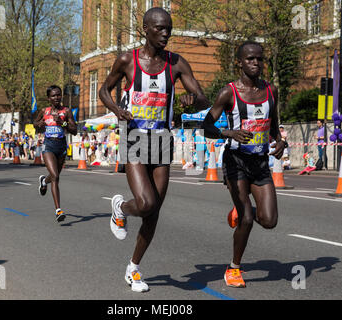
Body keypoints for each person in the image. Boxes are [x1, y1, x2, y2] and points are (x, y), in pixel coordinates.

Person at [99, 7, 210, 293]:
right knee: (146, 203)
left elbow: (197, 94)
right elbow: (104, 90)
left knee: (154, 211)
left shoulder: (176, 64)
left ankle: (133, 268)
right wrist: (116, 111)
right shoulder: (127, 60)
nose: (165, 34)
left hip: (161, 139)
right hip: (134, 137)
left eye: (169, 29)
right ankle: (120, 207)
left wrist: (197, 100)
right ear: (145, 29)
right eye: (159, 28)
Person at [201, 40, 285, 288]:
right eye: (250, 59)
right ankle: (234, 268)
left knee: (269, 221)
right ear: (240, 62)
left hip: (260, 163)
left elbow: (273, 125)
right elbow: (207, 126)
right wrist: (229, 133)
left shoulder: (271, 90)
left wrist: (279, 142)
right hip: (235, 162)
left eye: (260, 59)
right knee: (248, 218)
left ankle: (239, 210)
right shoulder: (229, 92)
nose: (256, 63)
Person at [34, 85, 78, 222]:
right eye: (53, 95)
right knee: (55, 176)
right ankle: (58, 210)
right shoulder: (44, 111)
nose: (57, 97)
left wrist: (62, 123)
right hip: (49, 146)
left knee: (55, 176)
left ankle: (43, 181)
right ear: (49, 98)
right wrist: (40, 123)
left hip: (61, 146)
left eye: (58, 95)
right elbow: (35, 124)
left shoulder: (66, 111)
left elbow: (74, 130)